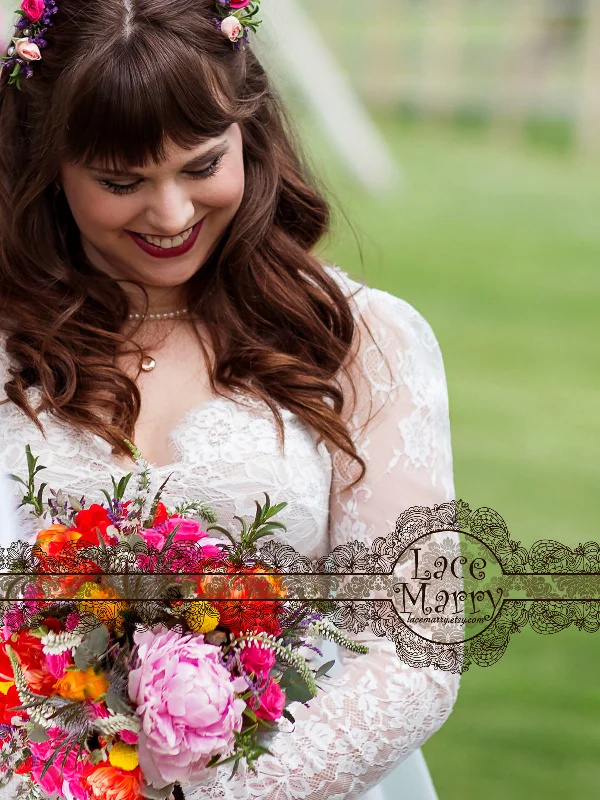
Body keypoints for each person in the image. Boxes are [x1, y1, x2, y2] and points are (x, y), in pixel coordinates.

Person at [0, 0, 461, 797]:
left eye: (202, 165)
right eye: (121, 181)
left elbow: (413, 649)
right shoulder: (9, 345)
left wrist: (209, 792)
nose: (171, 214)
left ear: (251, 134)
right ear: (46, 166)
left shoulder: (362, 342)